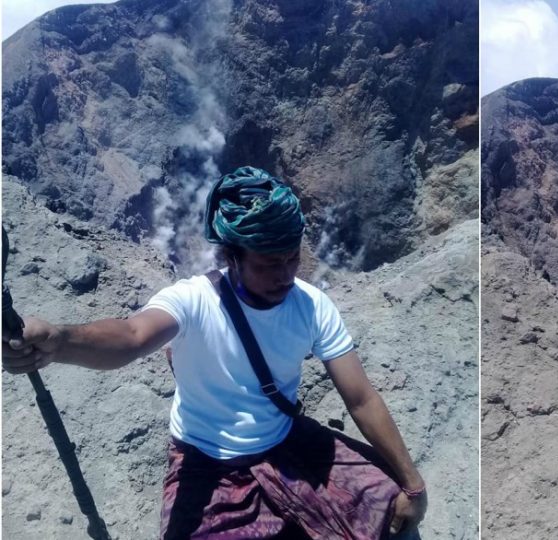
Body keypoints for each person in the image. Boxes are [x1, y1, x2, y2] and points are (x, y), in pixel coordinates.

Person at [3, 166, 427, 539]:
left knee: (391, 510)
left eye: (292, 259)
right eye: (267, 264)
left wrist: (413, 486)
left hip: (286, 441)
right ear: (231, 257)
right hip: (206, 460)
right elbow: (132, 335)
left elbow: (361, 398)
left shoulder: (312, 306)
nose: (284, 275)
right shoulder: (193, 300)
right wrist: (60, 340)